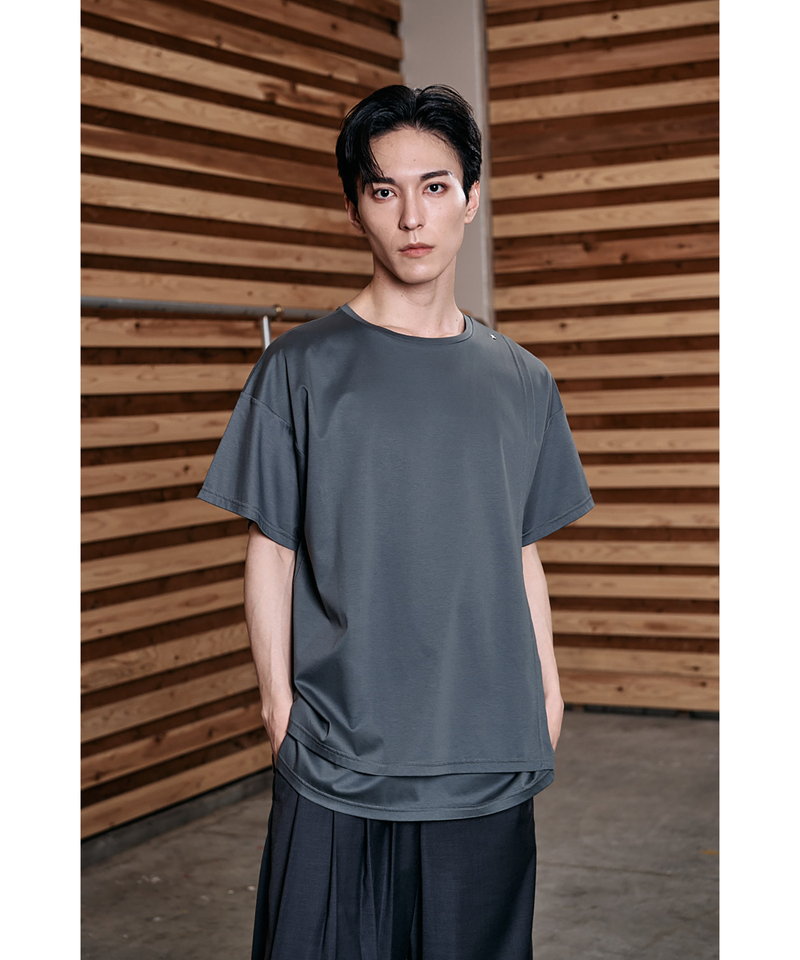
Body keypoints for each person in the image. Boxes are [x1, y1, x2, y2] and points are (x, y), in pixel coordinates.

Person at [196, 83, 595, 960]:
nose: (413, 216)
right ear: (355, 209)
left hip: (485, 748)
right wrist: (278, 709)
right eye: (385, 190)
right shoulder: (299, 368)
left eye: (435, 186)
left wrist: (548, 691)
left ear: (471, 198)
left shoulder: (523, 381)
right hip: (337, 750)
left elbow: (517, 548)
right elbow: (271, 549)